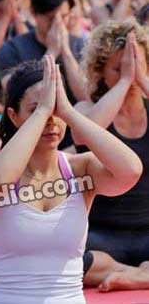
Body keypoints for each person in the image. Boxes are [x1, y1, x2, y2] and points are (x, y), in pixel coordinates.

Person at [0, 56, 145, 303]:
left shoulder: (80, 169)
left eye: (55, 110)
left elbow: (131, 171)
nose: (51, 120)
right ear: (13, 115)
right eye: (36, 111)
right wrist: (43, 110)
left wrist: (70, 113)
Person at [75, 21, 149, 268]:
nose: (130, 76)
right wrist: (125, 81)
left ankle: (135, 275)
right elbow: (86, 135)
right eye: (119, 69)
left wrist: (141, 79)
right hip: (102, 236)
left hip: (147, 234)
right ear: (101, 73)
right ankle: (137, 274)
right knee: (67, 260)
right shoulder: (86, 110)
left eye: (137, 66)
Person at [0, 0, 87, 103]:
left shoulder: (81, 45)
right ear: (33, 13)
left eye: (64, 16)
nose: (58, 23)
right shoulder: (12, 48)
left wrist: (66, 51)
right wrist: (52, 52)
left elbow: (85, 96)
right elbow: (14, 95)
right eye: (50, 18)